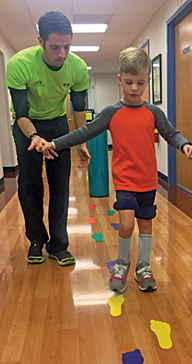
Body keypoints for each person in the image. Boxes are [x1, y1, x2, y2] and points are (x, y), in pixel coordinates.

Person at [31, 47, 192, 292]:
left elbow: (170, 133)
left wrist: (184, 145)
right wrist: (54, 143)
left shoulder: (153, 112)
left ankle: (143, 266)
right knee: (127, 223)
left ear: (148, 82)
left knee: (146, 223)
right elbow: (83, 132)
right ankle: (121, 264)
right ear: (120, 79)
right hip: (124, 181)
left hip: (148, 182)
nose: (134, 88)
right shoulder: (112, 112)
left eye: (140, 83)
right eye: (129, 82)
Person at [5, 11, 91, 266]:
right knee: (30, 186)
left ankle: (58, 245)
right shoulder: (19, 64)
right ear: (41, 41)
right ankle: (35, 240)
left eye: (67, 46)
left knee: (60, 186)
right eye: (55, 47)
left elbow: (78, 109)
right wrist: (34, 137)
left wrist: (81, 143)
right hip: (26, 125)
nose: (62, 54)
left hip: (57, 124)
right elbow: (20, 113)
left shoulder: (77, 66)